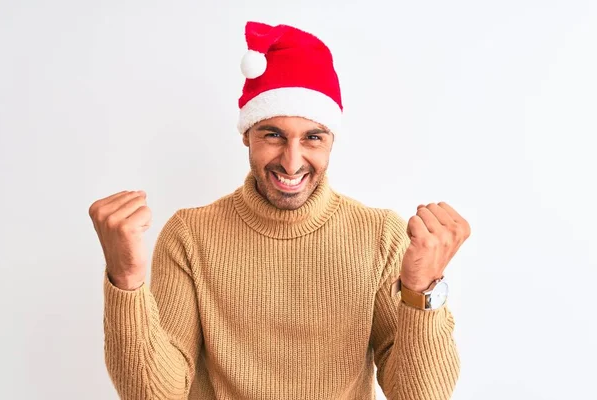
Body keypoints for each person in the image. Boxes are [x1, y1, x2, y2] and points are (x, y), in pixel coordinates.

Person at [88, 21, 470, 400]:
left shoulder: (381, 234)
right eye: (273, 134)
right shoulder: (190, 234)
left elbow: (419, 396)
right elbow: (155, 395)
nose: (291, 162)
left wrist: (422, 290)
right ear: (246, 135)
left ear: (331, 141)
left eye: (312, 138)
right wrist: (127, 281)